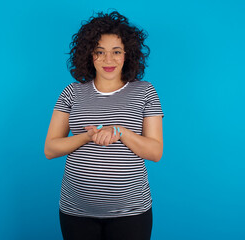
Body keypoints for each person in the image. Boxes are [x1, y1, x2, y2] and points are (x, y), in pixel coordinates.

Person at [44, 11, 164, 240]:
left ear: (127, 54)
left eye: (116, 52)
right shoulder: (71, 92)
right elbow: (50, 149)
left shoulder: (146, 91)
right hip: (76, 212)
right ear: (89, 55)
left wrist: (121, 132)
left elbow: (155, 152)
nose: (108, 60)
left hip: (131, 213)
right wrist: (87, 137)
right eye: (100, 52)